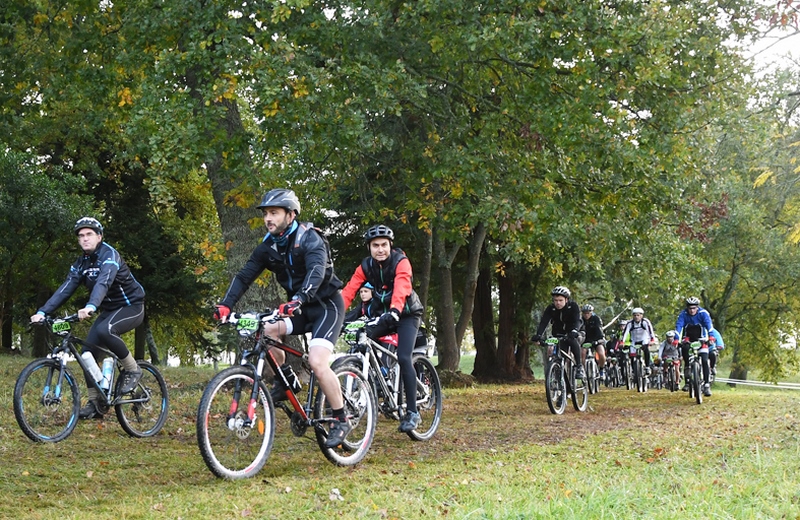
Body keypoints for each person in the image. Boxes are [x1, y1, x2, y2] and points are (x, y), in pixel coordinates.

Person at [213, 188, 350, 448]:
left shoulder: (310, 239)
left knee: (318, 363)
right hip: (299, 309)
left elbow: (316, 273)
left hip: (326, 306)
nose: (268, 218)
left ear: (291, 214)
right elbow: (244, 277)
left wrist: (298, 299)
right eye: (266, 214)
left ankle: (341, 417)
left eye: (274, 213)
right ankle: (286, 380)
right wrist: (225, 305)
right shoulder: (268, 246)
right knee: (266, 331)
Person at [30, 217, 146, 419]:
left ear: (99, 237)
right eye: (81, 236)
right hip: (109, 310)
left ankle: (133, 369)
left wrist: (91, 305)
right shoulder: (81, 263)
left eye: (89, 234)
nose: (85, 239)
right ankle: (96, 403)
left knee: (105, 330)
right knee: (86, 354)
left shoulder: (110, 255)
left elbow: (104, 281)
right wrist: (42, 312)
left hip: (131, 306)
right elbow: (65, 289)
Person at [341, 224, 425, 433]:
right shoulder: (366, 267)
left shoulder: (400, 262)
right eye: (375, 245)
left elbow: (402, 286)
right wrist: (336, 315)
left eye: (384, 245)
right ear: (369, 247)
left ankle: (413, 412)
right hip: (384, 315)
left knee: (405, 357)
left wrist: (396, 310)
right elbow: (349, 291)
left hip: (406, 314)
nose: (380, 249)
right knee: (361, 342)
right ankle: (381, 379)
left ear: (390, 246)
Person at [532, 286, 584, 379]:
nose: (558, 303)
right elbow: (544, 322)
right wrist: (538, 335)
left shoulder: (573, 306)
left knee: (572, 342)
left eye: (560, 300)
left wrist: (575, 330)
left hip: (573, 332)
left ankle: (579, 366)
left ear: (566, 299)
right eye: (555, 300)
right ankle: (558, 375)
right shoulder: (551, 308)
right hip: (558, 333)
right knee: (557, 354)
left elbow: (578, 320)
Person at [674, 296, 715, 396]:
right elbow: (678, 327)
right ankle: (688, 373)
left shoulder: (703, 313)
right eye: (690, 308)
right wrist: (676, 339)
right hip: (688, 338)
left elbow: (709, 326)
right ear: (687, 308)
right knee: (684, 348)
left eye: (694, 308)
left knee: (705, 360)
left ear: (697, 307)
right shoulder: (683, 315)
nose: (692, 310)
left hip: (702, 338)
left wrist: (711, 337)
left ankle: (706, 384)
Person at [621, 307, 656, 373]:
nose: (636, 317)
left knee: (646, 350)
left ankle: (647, 366)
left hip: (644, 339)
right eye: (634, 315)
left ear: (641, 315)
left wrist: (652, 340)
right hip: (634, 341)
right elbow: (625, 333)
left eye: (638, 315)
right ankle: (633, 370)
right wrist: (622, 342)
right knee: (631, 354)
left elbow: (650, 332)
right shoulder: (629, 323)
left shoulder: (645, 322)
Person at [580, 304, 606, 379]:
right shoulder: (581, 320)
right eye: (584, 313)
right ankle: (583, 371)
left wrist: (600, 340)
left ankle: (601, 369)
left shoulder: (596, 319)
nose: (586, 315)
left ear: (591, 313)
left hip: (597, 339)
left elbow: (599, 330)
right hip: (585, 341)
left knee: (601, 353)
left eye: (588, 313)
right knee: (582, 353)